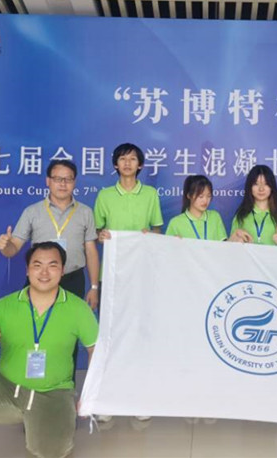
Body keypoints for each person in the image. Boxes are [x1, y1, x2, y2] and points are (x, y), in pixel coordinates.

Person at [0, 242, 99, 458]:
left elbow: (95, 350)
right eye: (37, 265)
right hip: (7, 387)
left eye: (52, 265)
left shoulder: (78, 309)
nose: (44, 272)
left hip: (54, 393)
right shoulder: (4, 306)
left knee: (51, 452)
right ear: (27, 270)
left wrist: (91, 394)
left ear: (62, 271)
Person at [93, 143, 163, 422]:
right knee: (112, 334)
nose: (127, 163)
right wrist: (101, 236)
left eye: (132, 159)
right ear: (115, 164)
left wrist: (149, 235)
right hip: (113, 274)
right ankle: (108, 399)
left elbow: (157, 229)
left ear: (140, 165)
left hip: (142, 274)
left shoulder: (150, 194)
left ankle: (138, 398)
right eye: (122, 159)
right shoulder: (105, 195)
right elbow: (97, 231)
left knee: (140, 334)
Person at [0, 159, 99, 309]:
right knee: (36, 320)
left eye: (68, 179)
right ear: (48, 181)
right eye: (57, 179)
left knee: (68, 321)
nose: (63, 184)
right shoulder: (32, 212)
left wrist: (94, 287)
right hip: (40, 278)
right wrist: (5, 247)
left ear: (74, 182)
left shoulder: (85, 212)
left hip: (73, 279)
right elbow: (14, 248)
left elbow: (91, 251)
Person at [228, 165, 277, 246]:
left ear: (272, 187)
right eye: (256, 184)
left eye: (266, 184)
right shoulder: (241, 215)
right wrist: (236, 235)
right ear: (250, 187)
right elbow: (230, 247)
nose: (261, 189)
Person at [165, 175, 228, 241]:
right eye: (201, 196)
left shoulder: (215, 217)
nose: (205, 200)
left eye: (209, 196)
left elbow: (224, 245)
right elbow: (166, 246)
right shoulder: (175, 223)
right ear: (189, 195)